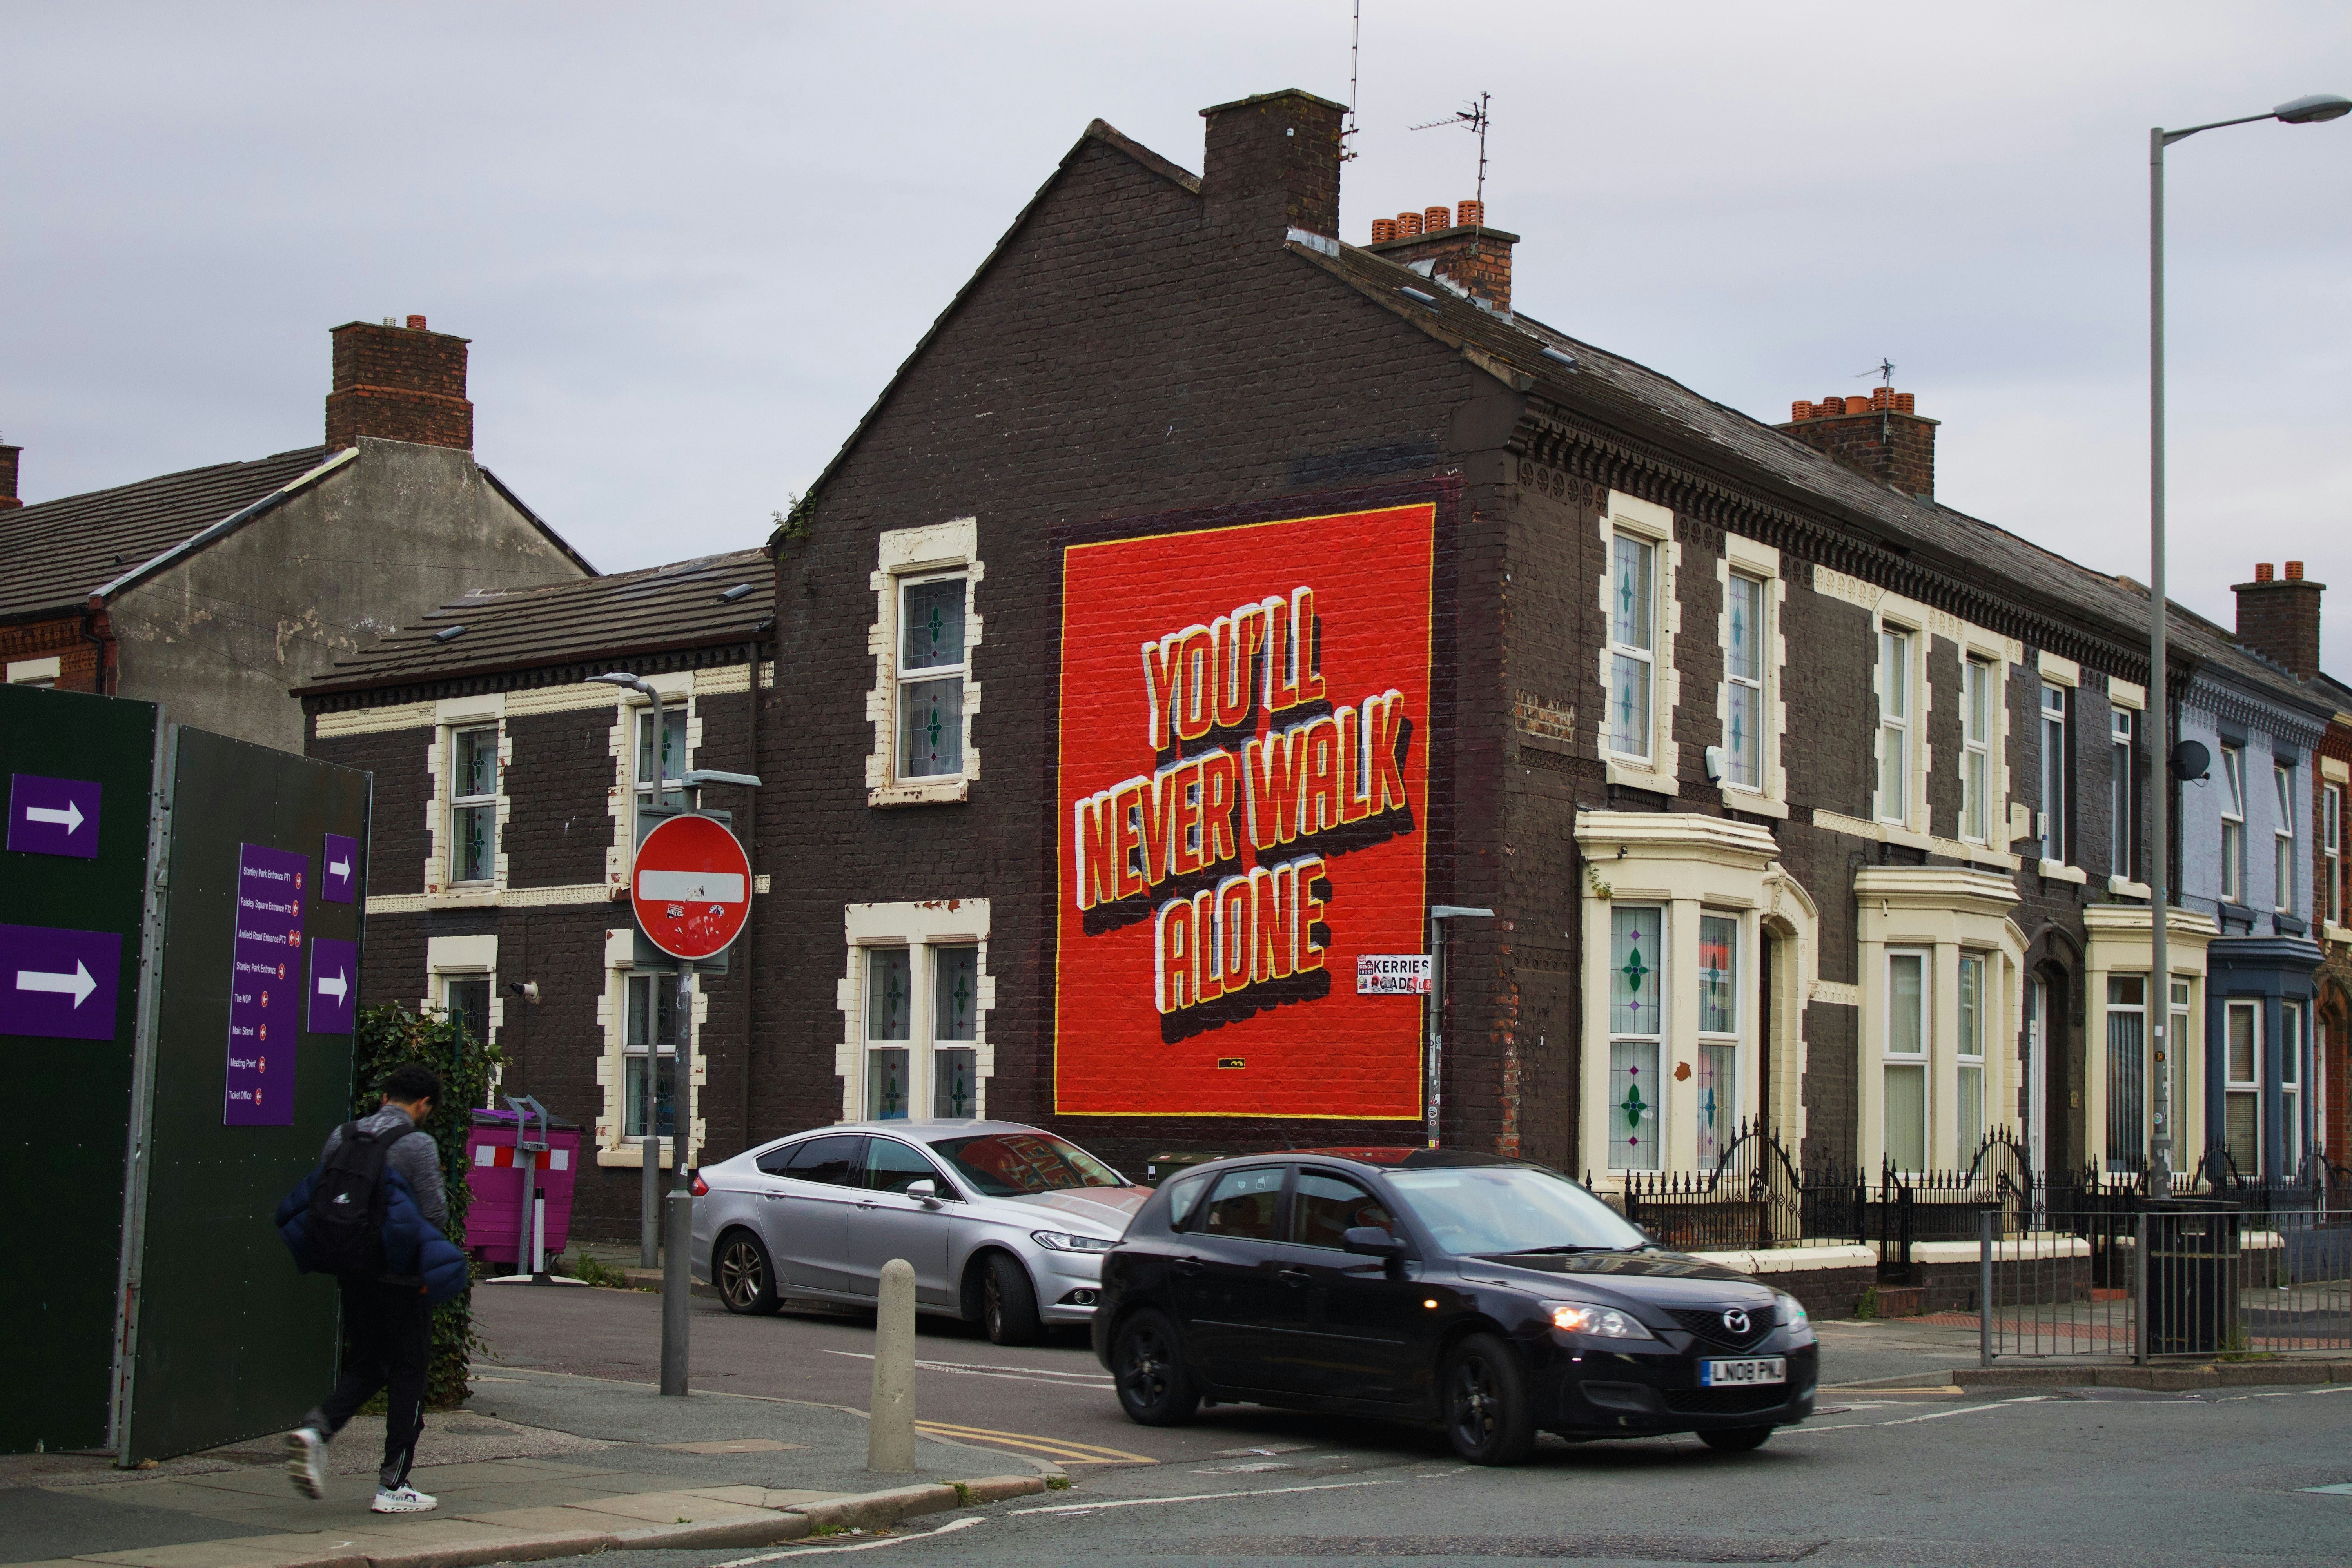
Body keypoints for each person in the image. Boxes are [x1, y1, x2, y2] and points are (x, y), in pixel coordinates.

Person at [283, 1063, 452, 1514]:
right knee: (409, 1372)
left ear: (385, 1097)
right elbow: (435, 1215)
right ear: (423, 1105)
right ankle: (394, 1483)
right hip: (401, 1278)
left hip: (352, 1269)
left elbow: (322, 1196)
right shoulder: (417, 1143)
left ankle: (318, 1430)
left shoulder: (344, 1135)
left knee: (370, 1362)